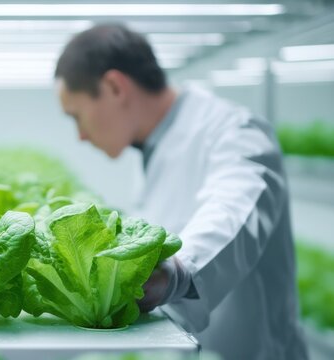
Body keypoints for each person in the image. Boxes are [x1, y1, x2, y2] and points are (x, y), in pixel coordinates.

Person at [54, 24, 308, 360]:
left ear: (115, 87)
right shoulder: (150, 144)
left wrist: (175, 273)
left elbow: (235, 210)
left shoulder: (233, 131)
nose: (81, 136)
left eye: (77, 116)